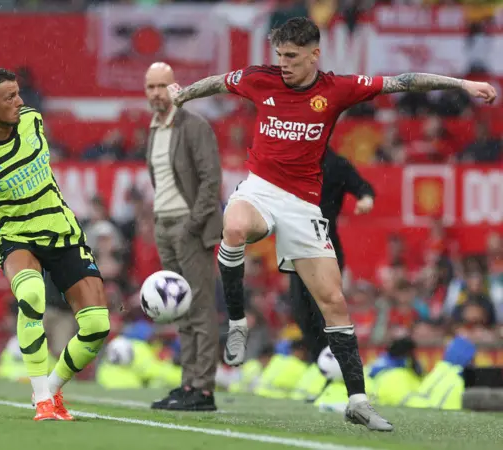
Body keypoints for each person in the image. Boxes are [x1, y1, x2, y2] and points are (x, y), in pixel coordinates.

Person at [166, 17, 496, 431]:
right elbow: (216, 82)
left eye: (291, 57)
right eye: (280, 55)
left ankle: (357, 400)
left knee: (334, 303)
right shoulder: (260, 79)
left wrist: (462, 85)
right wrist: (183, 95)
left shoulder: (336, 89)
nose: (283, 64)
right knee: (233, 228)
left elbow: (403, 81)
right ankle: (236, 323)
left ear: (314, 54)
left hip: (304, 206)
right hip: (260, 189)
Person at [0, 67, 110, 422]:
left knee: (97, 326)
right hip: (17, 237)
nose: (20, 102)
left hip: (63, 232)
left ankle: (53, 388)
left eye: (19, 94)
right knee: (31, 295)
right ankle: (42, 399)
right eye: (10, 97)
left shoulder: (33, 121)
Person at [144, 62, 222, 411]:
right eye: (151, 87)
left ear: (177, 88)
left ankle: (203, 390)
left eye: (163, 85)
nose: (157, 93)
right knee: (179, 311)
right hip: (164, 225)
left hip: (188, 227)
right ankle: (188, 384)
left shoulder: (194, 126)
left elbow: (211, 180)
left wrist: (192, 223)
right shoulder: (154, 129)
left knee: (200, 309)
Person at [290, 147, 375, 365]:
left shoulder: (336, 164)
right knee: (301, 310)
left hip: (324, 247)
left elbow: (362, 187)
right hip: (296, 248)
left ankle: (336, 364)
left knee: (324, 312)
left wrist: (366, 199)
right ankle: (318, 363)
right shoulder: (290, 161)